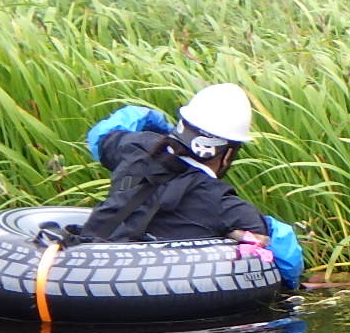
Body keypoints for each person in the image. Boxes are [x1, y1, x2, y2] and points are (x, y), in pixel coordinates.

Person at [77, 82, 303, 288]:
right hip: (156, 290)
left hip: (86, 261)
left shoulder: (133, 148)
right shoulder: (222, 203)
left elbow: (99, 136)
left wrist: (146, 116)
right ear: (227, 155)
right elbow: (285, 253)